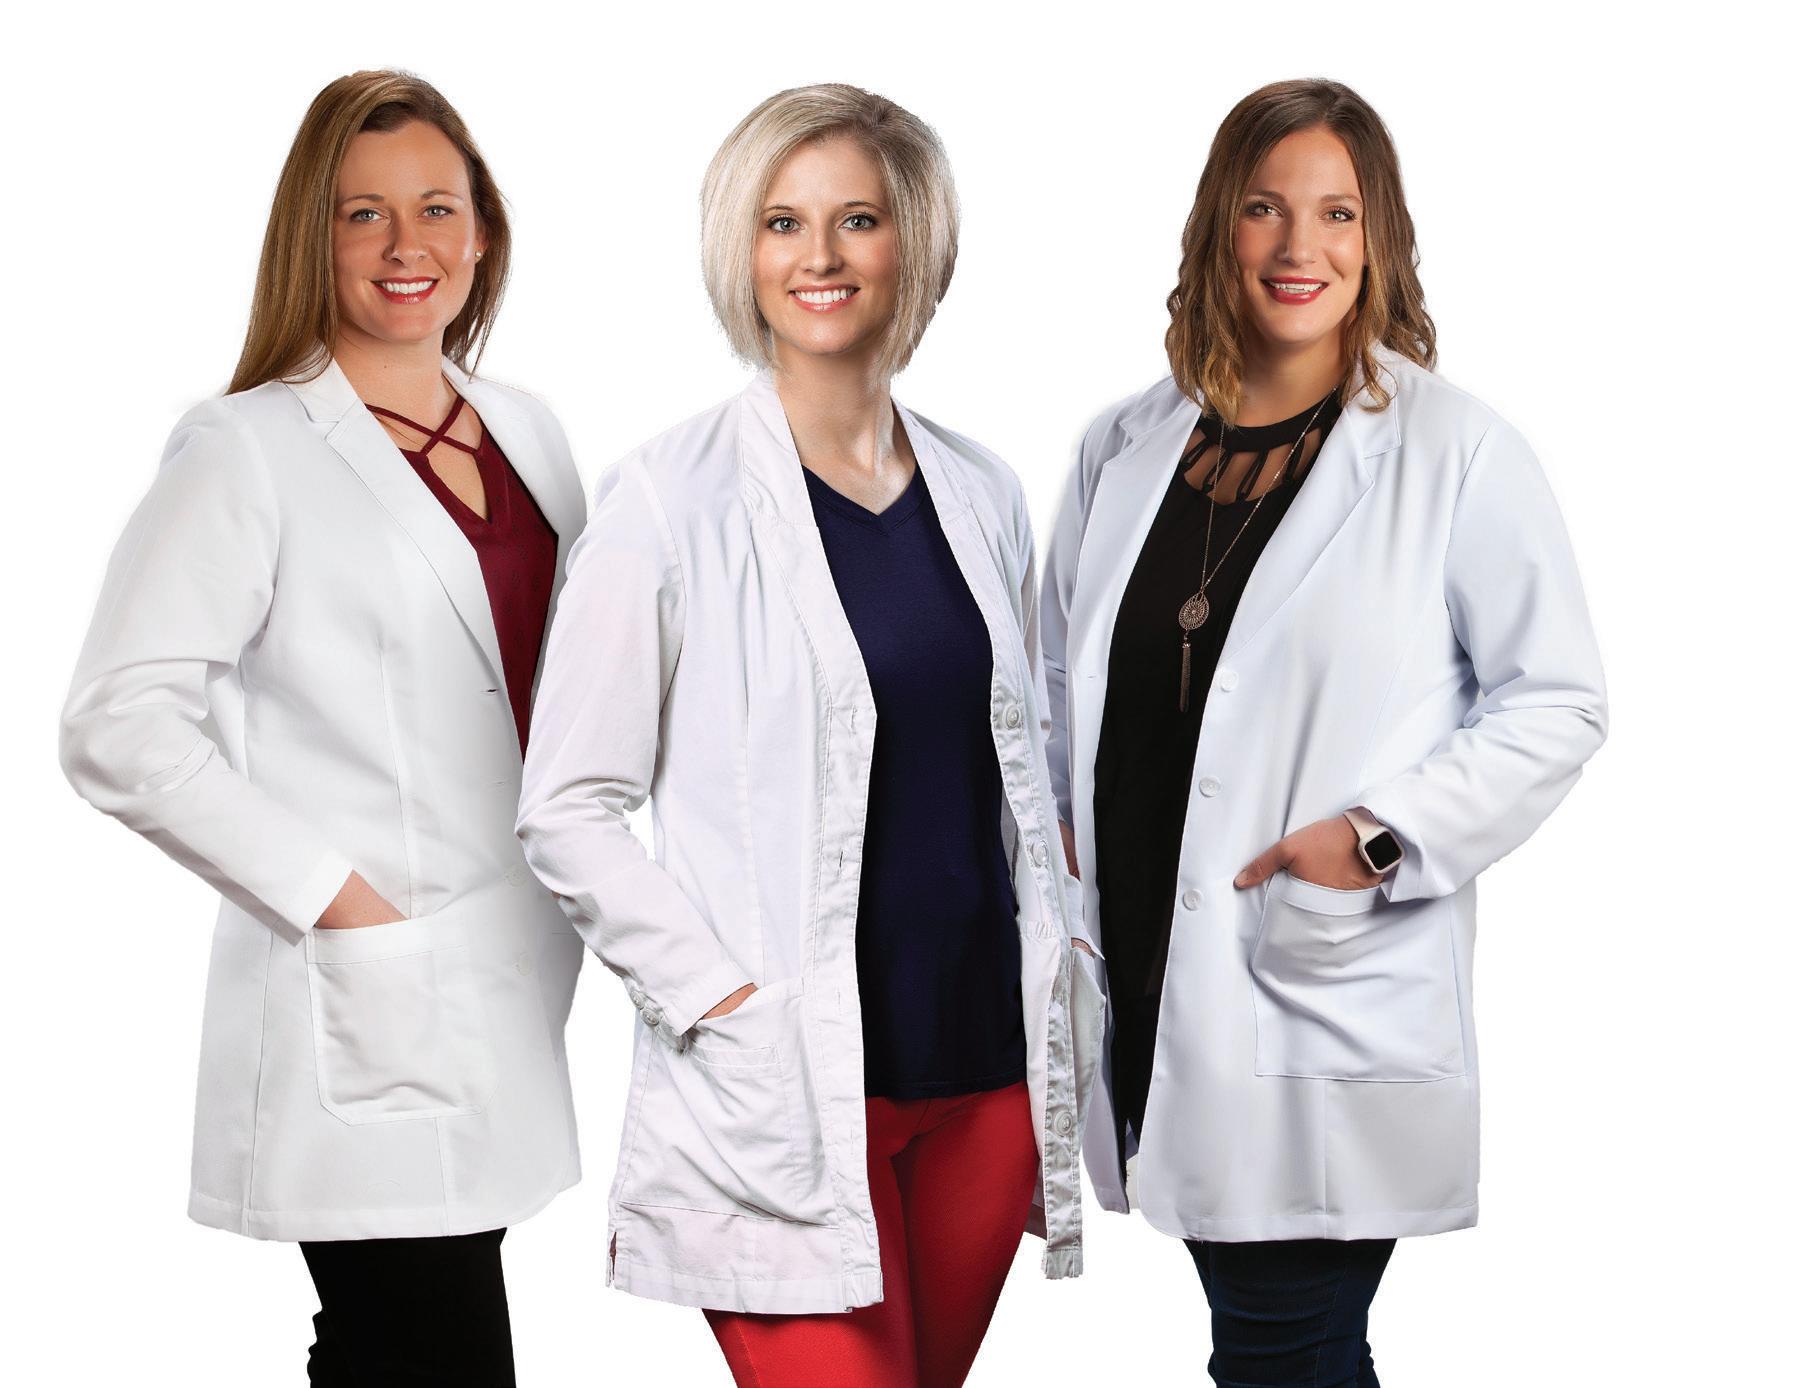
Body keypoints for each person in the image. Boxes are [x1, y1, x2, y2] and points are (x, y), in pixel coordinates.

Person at [517, 83, 1102, 1388]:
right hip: (780, 1086)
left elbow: (1014, 767)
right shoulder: (666, 502)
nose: (820, 256)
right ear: (742, 249)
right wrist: (715, 996)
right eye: (783, 222)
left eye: (859, 220)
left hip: (985, 1081)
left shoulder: (982, 489)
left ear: (915, 243)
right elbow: (566, 805)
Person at [1042, 78, 1608, 1387]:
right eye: (1266, 208)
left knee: (1282, 1348)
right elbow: (1057, 676)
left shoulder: (1454, 452)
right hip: (1145, 970)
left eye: (1338, 212)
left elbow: (1560, 698)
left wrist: (1376, 837)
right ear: (1218, 228)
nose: (1301, 246)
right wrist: (1060, 829)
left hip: (1316, 983)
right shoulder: (1127, 445)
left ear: (1379, 235)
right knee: (1276, 1351)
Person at [59, 70, 587, 1386]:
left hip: (509, 981)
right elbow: (118, 721)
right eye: (364, 213)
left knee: (381, 1354)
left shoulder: (526, 431)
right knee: (435, 1354)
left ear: (483, 231)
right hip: (363, 988)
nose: (407, 245)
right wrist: (340, 901)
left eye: (436, 208)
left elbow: (567, 681)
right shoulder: (247, 449)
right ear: (316, 235)